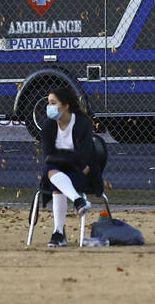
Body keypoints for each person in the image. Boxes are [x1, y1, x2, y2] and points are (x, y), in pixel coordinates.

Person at [39, 85, 97, 247]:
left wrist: (66, 159)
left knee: (53, 176)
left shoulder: (82, 123)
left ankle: (58, 234)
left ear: (66, 106)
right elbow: (48, 155)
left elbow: (84, 155)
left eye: (53, 103)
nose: (49, 107)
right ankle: (78, 202)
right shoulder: (48, 125)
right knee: (52, 173)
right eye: (48, 103)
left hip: (81, 174)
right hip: (59, 172)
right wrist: (72, 159)